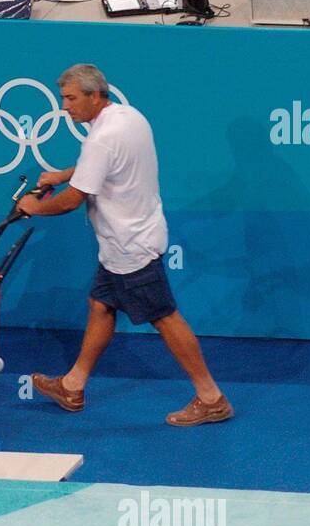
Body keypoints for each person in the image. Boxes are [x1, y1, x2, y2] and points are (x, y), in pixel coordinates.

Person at [16, 64, 233, 427]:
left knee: (164, 317)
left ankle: (211, 398)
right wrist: (62, 173)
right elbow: (102, 163)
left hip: (131, 247)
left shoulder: (102, 138)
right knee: (101, 305)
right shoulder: (129, 117)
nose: (65, 107)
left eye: (70, 99)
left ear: (94, 95)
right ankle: (73, 386)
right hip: (126, 242)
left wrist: (34, 207)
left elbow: (71, 201)